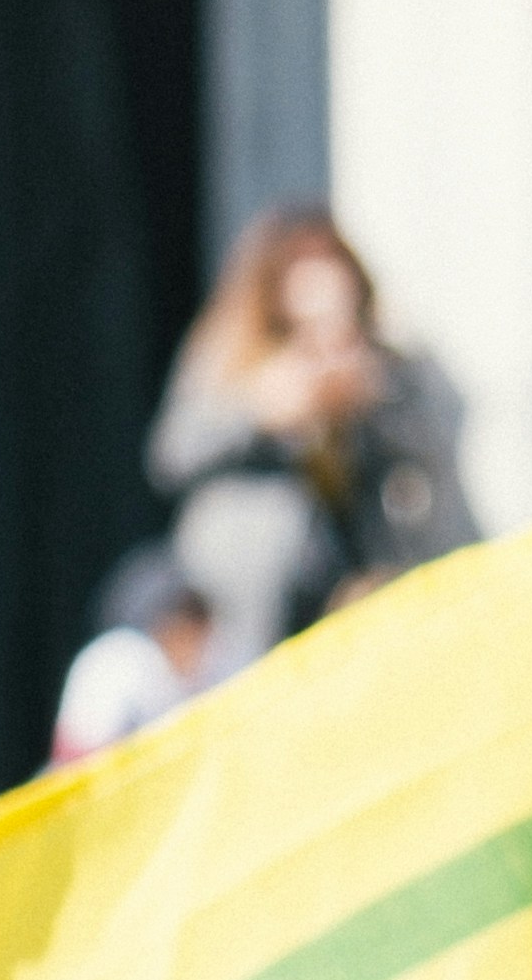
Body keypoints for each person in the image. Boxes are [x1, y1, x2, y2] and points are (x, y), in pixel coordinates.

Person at [145, 201, 473, 673]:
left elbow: (446, 432)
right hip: (255, 587)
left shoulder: (388, 362)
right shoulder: (234, 360)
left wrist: (374, 393)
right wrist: (262, 412)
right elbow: (170, 455)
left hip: (362, 573)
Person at [49, 546, 215, 762]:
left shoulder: (169, 671)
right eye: (196, 640)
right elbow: (81, 756)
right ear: (178, 630)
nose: (201, 654)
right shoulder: (126, 659)